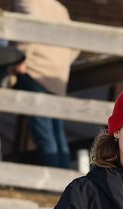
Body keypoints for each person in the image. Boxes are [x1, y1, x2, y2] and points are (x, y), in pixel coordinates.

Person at [12, 0, 80, 168]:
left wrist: (20, 59)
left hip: (36, 70)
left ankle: (54, 178)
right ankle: (63, 178)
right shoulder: (60, 8)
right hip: (57, 75)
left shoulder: (27, 2)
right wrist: (62, 62)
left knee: (44, 131)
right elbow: (77, 41)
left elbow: (29, 28)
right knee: (56, 130)